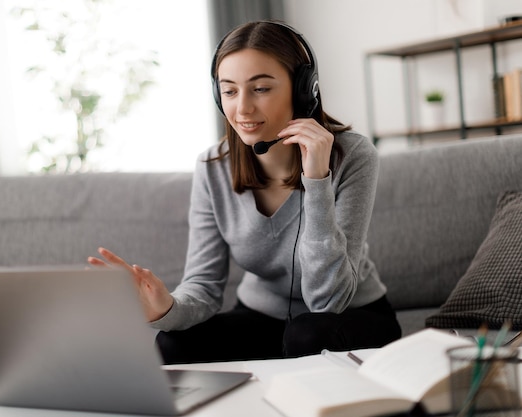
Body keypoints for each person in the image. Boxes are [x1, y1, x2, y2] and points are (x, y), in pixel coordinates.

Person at [88, 20, 401, 364]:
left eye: (261, 89)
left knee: (307, 335)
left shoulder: (353, 156)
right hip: (261, 318)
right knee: (171, 343)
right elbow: (204, 285)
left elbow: (327, 302)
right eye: (230, 90)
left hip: (350, 318)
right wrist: (168, 308)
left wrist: (316, 179)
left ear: (303, 90)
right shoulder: (212, 166)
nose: (243, 109)